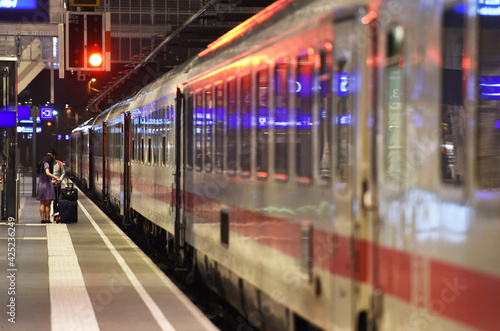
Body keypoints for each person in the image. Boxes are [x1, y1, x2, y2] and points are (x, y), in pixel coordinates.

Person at [36, 154, 60, 223]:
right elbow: (47, 173)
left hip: (41, 185)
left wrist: (51, 181)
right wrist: (56, 178)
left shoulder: (40, 165)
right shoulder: (46, 164)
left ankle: (42, 218)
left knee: (42, 203)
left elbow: (43, 176)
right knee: (47, 204)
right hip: (47, 186)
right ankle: (47, 219)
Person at [50, 151, 65, 222]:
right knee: (48, 201)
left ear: (54, 156)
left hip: (57, 185)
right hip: (49, 185)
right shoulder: (47, 164)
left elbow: (63, 173)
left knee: (56, 200)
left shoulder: (59, 163)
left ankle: (56, 214)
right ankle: (47, 215)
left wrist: (59, 180)